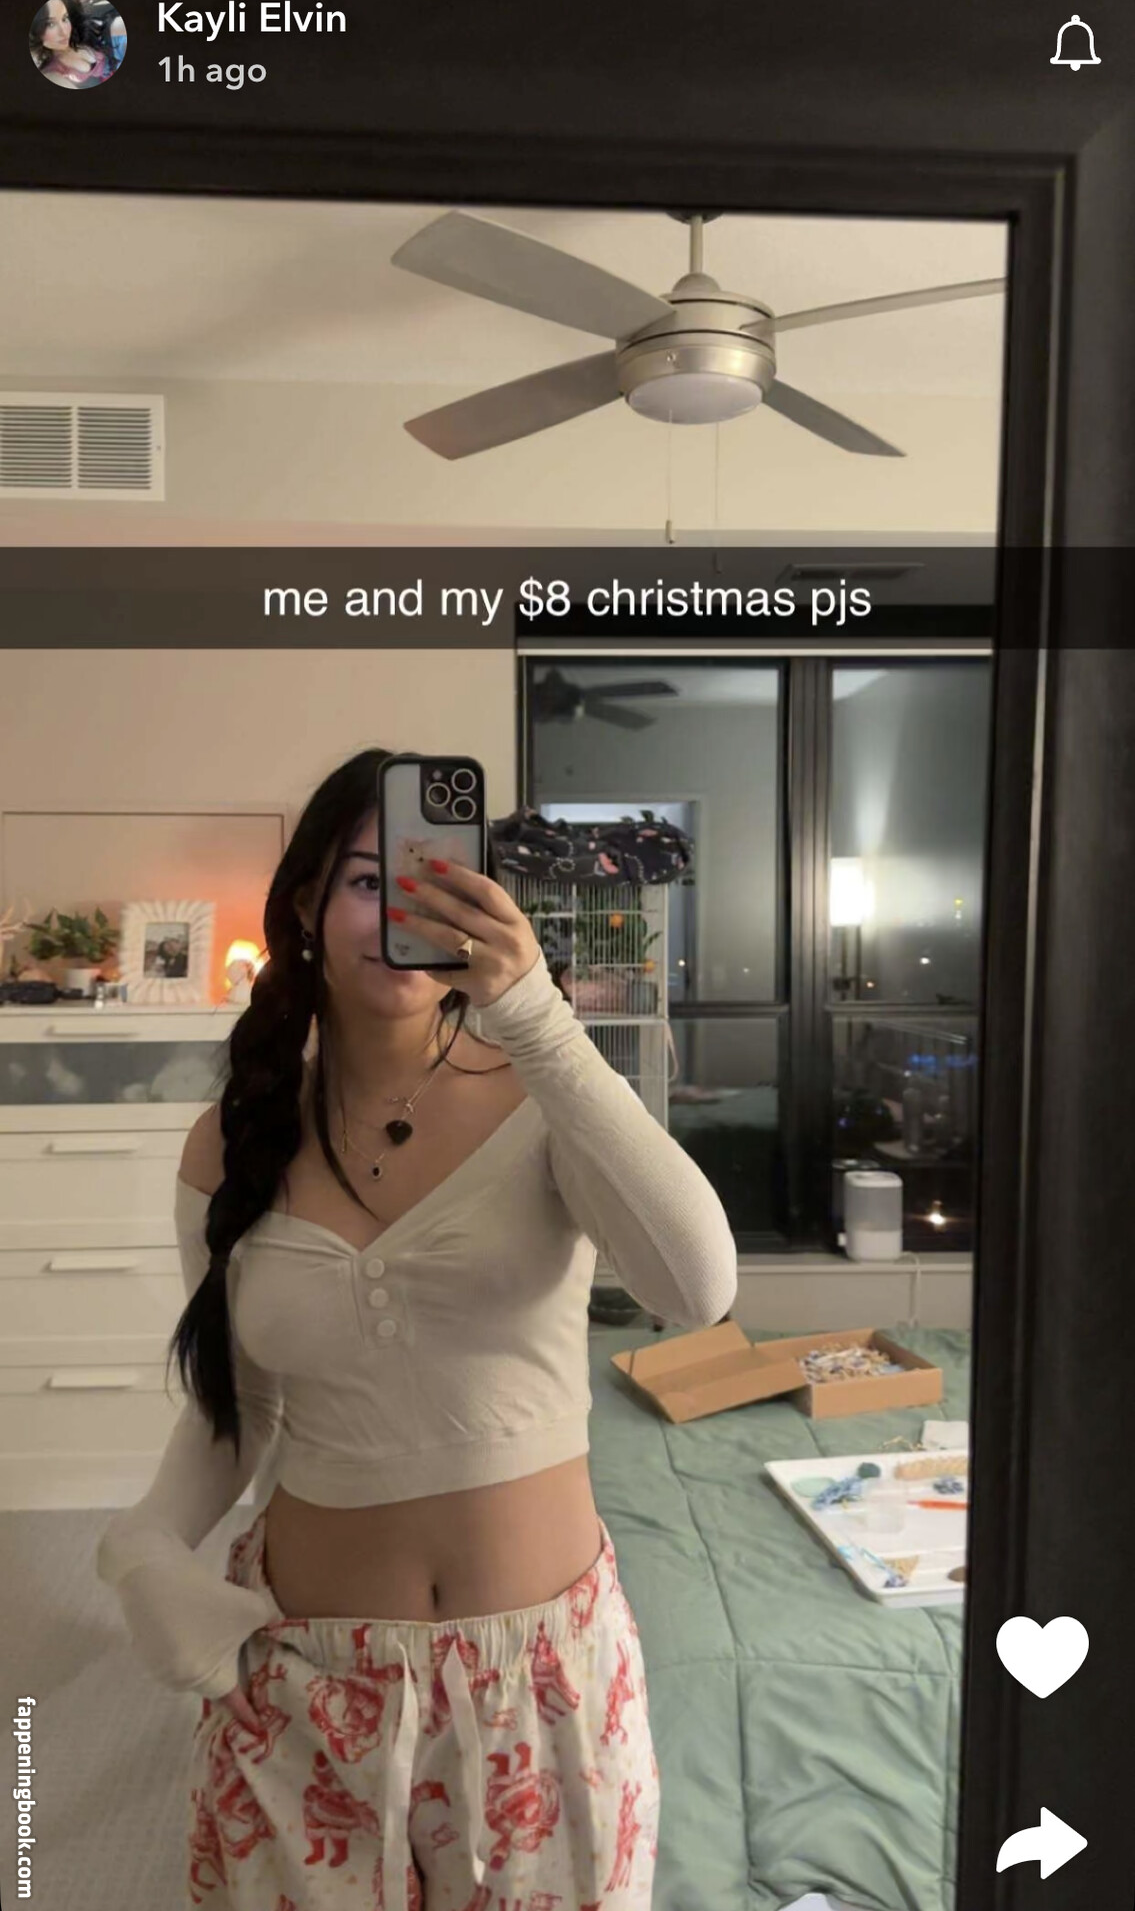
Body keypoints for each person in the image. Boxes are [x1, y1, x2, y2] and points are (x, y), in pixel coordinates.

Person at [95, 746, 738, 1910]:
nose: (402, 913)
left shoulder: (545, 1096)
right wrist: (140, 1548)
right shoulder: (234, 1140)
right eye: (365, 881)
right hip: (306, 1684)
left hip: (544, 1688)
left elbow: (698, 1288)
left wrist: (537, 1019)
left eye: (435, 881)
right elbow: (238, 1407)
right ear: (305, 906)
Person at [29, 0, 113, 87]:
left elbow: (109, 27)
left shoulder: (80, 30)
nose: (64, 31)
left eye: (65, 18)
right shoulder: (52, 72)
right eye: (50, 24)